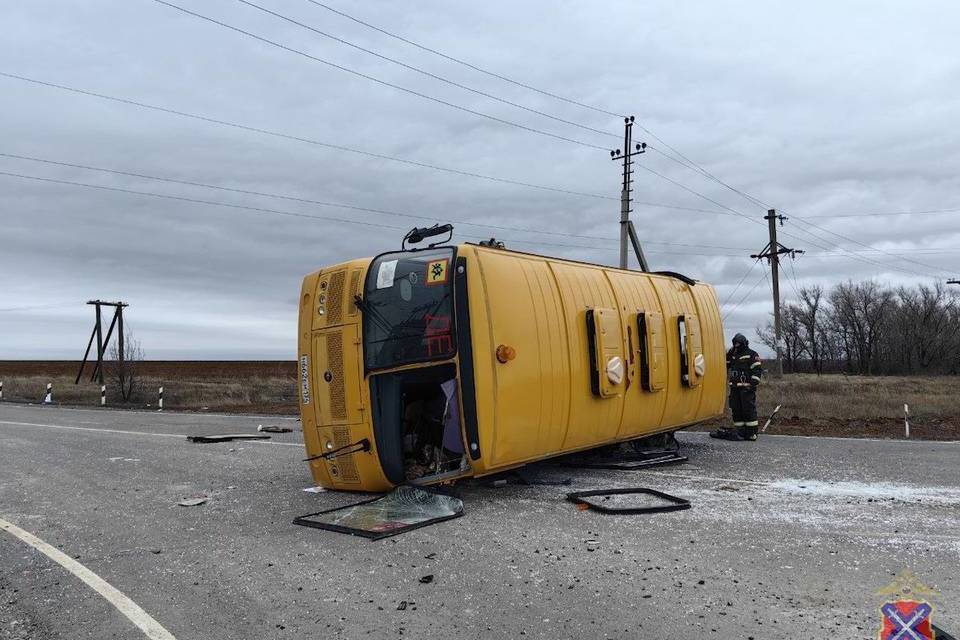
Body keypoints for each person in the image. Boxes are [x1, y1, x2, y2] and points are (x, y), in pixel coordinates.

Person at [710, 333, 763, 441]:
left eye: (738, 343)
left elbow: (757, 370)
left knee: (748, 410)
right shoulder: (733, 355)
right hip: (734, 388)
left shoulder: (752, 354)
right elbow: (725, 365)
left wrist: (752, 384)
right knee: (736, 409)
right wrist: (728, 353)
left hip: (747, 388)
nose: (737, 345)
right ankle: (740, 432)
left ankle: (752, 433)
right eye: (735, 343)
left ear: (744, 343)